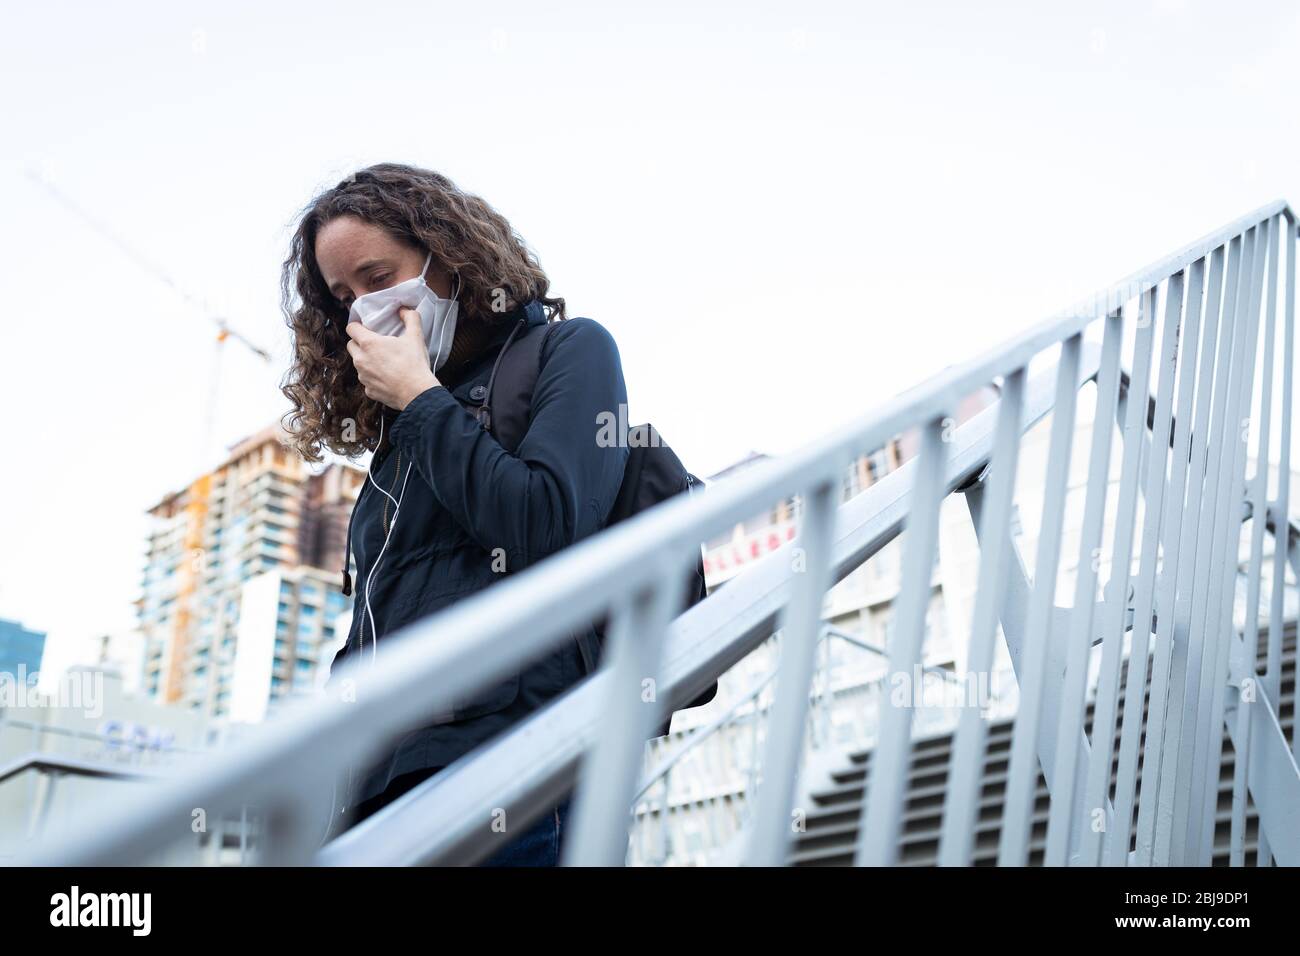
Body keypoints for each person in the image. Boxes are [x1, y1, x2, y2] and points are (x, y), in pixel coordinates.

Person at [280, 163, 628, 865]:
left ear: (451, 260)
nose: (361, 310)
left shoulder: (570, 350)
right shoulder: (398, 439)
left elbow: (549, 528)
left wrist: (419, 399)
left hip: (513, 765)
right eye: (344, 296)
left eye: (378, 278)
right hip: (374, 791)